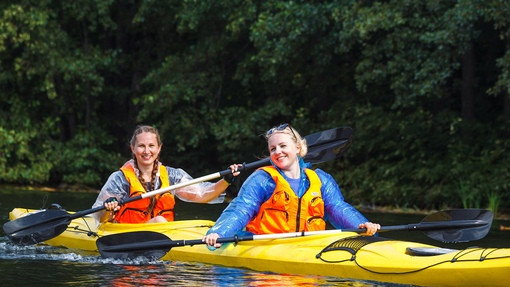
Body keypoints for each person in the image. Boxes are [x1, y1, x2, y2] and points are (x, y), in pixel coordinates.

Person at [203, 123, 380, 248]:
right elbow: (241, 209)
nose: (277, 151)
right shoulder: (263, 179)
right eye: (273, 149)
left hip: (309, 246)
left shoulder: (320, 180)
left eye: (282, 146)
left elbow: (338, 208)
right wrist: (220, 232)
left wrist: (362, 226)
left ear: (297, 148)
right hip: (265, 245)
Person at [92, 125, 240, 224]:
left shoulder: (171, 176)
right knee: (159, 221)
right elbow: (99, 218)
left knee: (160, 221)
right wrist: (108, 208)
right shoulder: (120, 179)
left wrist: (226, 180)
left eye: (151, 146)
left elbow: (203, 194)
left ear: (159, 148)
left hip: (162, 234)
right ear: (133, 148)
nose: (146, 151)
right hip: (126, 233)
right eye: (141, 146)